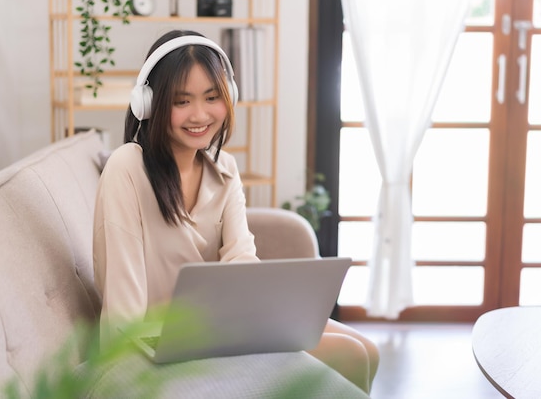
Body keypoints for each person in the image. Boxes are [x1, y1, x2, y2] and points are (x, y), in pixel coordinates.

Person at [92, 29, 379, 393]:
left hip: (224, 327)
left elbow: (242, 259)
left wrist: (264, 314)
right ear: (149, 103)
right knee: (349, 354)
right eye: (182, 101)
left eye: (212, 97)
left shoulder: (223, 167)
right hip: (161, 343)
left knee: (366, 350)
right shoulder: (127, 168)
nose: (200, 115)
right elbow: (123, 311)